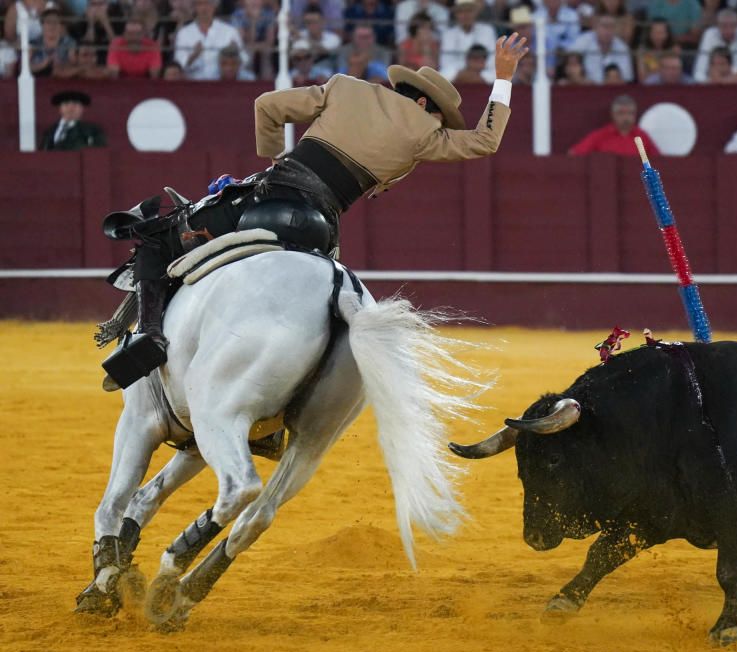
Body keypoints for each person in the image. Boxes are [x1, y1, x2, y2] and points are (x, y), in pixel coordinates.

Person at [103, 34, 529, 385]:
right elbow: (484, 141)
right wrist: (503, 78)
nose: (438, 124)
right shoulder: (424, 134)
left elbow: (266, 105)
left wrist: (272, 161)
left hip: (267, 201)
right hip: (320, 229)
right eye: (439, 116)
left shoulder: (345, 88)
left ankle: (151, 337)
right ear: (424, 106)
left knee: (158, 238)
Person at [173, 0, 247, 80]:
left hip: (221, 84)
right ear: (194, 7)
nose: (204, 8)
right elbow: (178, 65)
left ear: (215, 6)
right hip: (193, 83)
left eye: (208, 3)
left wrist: (234, 54)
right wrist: (193, 56)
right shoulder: (184, 33)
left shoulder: (230, 31)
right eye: (200, 4)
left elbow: (245, 59)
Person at [569, 94, 661, 156]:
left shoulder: (642, 136)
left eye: (630, 113)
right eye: (621, 113)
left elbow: (659, 161)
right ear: (613, 115)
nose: (626, 117)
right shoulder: (600, 135)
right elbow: (574, 154)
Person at [693, 9, 737, 82]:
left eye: (733, 25)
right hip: (713, 86)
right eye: (724, 26)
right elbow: (698, 74)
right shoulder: (709, 34)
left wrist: (724, 76)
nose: (729, 30)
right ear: (717, 25)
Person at [439, 0, 496, 82]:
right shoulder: (448, 34)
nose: (465, 15)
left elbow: (492, 61)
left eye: (469, 11)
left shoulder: (487, 30)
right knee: (444, 75)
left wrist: (475, 71)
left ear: (475, 13)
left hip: (483, 72)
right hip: (457, 73)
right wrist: (468, 71)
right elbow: (446, 63)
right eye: (461, 11)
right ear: (456, 14)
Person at [569, 14, 633, 82]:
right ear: (596, 27)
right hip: (586, 88)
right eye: (604, 26)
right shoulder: (583, 41)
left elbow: (627, 79)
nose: (608, 31)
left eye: (611, 27)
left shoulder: (623, 48)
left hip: (612, 89)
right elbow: (569, 60)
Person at [40, 90, 107, 150]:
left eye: (75, 104)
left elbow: (99, 152)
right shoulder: (49, 131)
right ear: (60, 108)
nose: (70, 108)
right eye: (66, 104)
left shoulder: (92, 130)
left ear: (82, 108)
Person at [30, 8, 77, 78]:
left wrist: (61, 64)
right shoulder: (33, 43)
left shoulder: (69, 42)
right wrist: (43, 64)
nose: (52, 26)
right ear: (42, 25)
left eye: (56, 22)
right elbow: (24, 67)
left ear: (61, 25)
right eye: (48, 22)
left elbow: (74, 64)